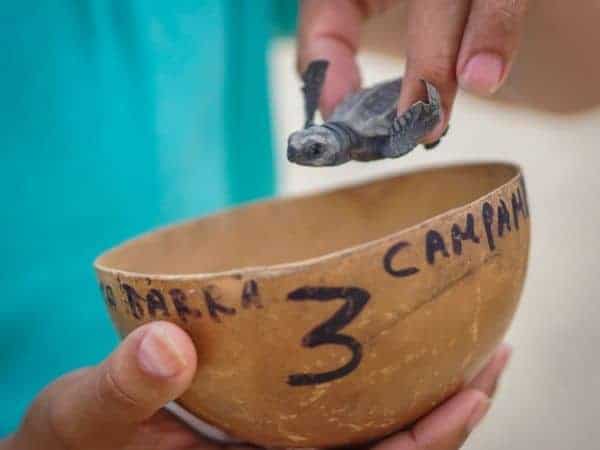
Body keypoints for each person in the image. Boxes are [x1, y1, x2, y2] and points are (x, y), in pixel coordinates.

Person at [3, 1, 600, 449]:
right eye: (306, 149)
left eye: (311, 149)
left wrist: (483, 30)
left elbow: (582, 65)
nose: (308, 155)